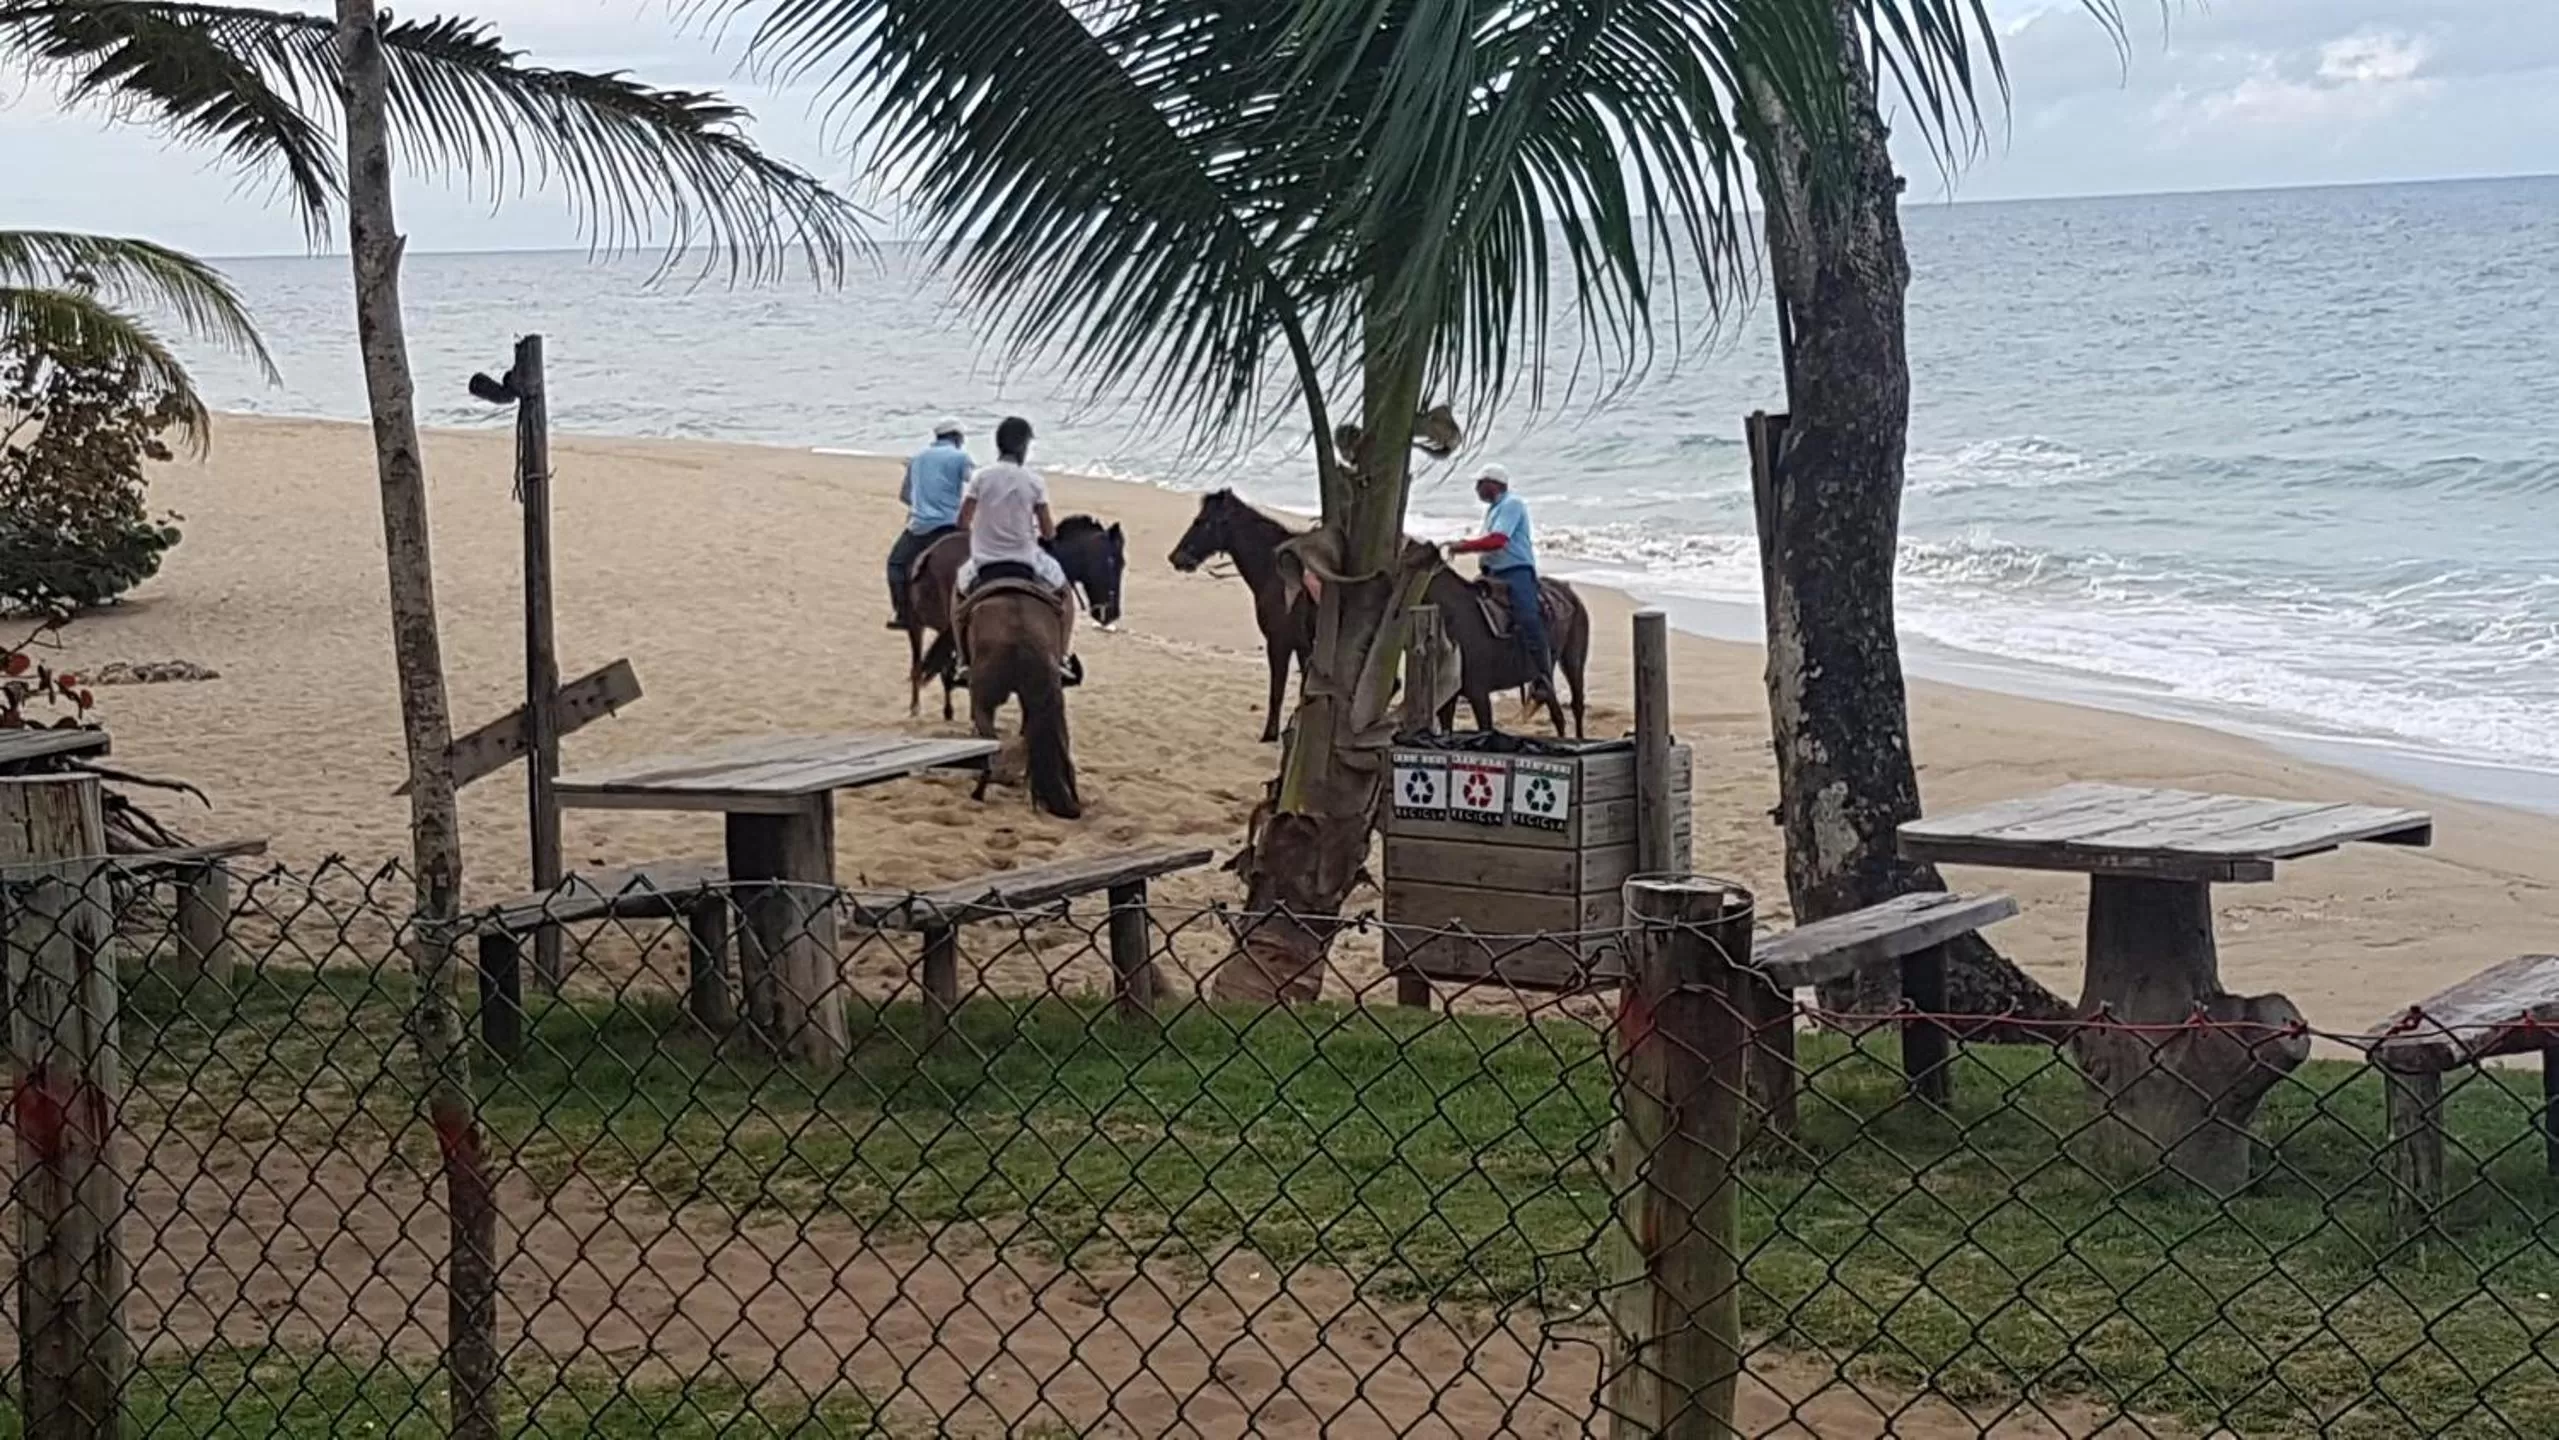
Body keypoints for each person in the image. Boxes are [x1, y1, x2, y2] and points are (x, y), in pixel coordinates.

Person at [954, 416, 1080, 684]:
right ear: (1023, 446)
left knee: (958, 596)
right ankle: (1062, 657)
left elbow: (963, 521)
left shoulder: (981, 477)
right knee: (1065, 595)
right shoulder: (1034, 481)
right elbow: (1048, 531)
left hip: (984, 561)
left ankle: (963, 660)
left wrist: (983, 529)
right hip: (1026, 560)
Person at [1444, 463, 1554, 697]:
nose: (1476, 488)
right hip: (1492, 573)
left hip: (1516, 572)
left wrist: (1463, 546)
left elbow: (1498, 541)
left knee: (1528, 616)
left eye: (1480, 484)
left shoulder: (1511, 504)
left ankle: (1543, 677)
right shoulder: (1493, 510)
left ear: (1493, 484)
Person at [886, 418, 973, 630]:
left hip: (921, 527)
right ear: (957, 437)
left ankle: (903, 612)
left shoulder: (917, 459)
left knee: (896, 565)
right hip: (951, 526)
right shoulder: (961, 457)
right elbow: (974, 488)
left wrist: (925, 501)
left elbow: (905, 496)